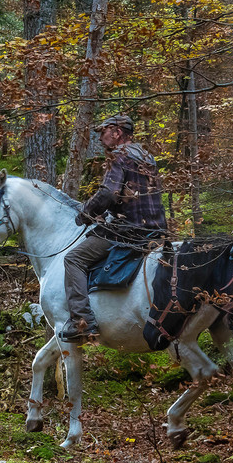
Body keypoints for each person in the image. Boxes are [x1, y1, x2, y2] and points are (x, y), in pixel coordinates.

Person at [58, 112, 166, 344]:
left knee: (74, 259)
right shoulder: (147, 158)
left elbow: (108, 192)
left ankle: (81, 322)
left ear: (117, 132)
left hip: (127, 231)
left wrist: (86, 213)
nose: (100, 137)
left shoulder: (120, 156)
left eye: (104, 131)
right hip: (156, 229)